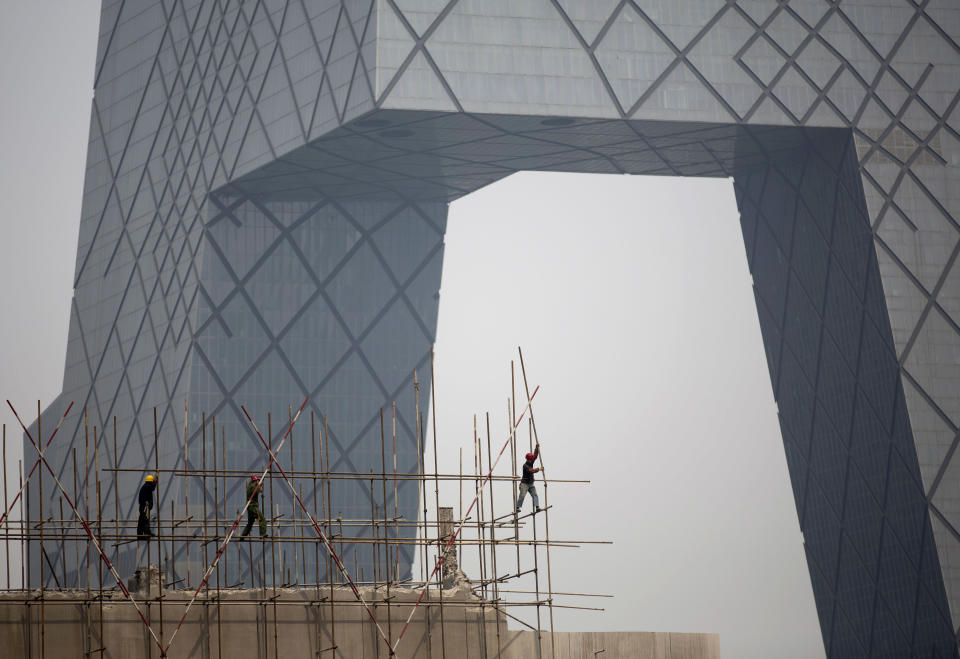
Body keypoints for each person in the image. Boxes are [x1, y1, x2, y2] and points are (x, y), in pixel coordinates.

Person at [240, 475, 268, 539]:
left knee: (250, 523)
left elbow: (257, 491)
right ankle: (262, 534)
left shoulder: (250, 486)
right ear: (255, 481)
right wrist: (259, 485)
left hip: (250, 507)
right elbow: (256, 491)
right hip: (253, 506)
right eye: (258, 480)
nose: (258, 481)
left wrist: (259, 485)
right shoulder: (253, 487)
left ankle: (242, 536)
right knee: (262, 519)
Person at [516, 444, 541, 514]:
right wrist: (539, 469)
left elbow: (535, 456)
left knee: (535, 495)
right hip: (524, 484)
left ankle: (537, 507)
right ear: (527, 459)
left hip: (531, 483)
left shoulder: (531, 462)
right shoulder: (525, 466)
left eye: (531, 459)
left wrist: (536, 448)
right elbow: (532, 470)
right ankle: (518, 507)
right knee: (522, 495)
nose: (531, 460)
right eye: (530, 459)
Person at [137, 474, 157, 539]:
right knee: (146, 520)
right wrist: (155, 479)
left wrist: (154, 479)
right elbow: (153, 487)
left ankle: (140, 535)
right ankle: (147, 533)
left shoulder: (145, 486)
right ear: (150, 481)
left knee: (141, 520)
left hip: (143, 506)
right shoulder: (147, 486)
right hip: (145, 506)